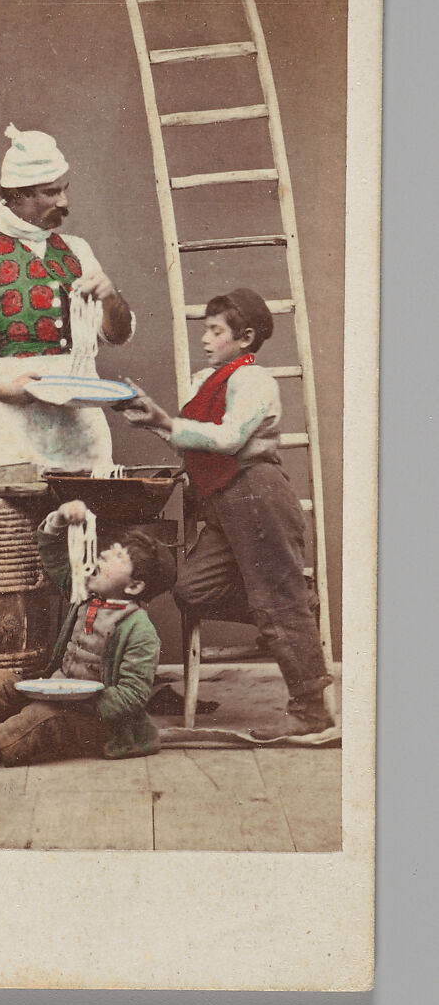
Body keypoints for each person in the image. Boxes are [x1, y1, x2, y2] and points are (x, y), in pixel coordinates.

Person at [121, 287, 334, 737]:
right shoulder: (210, 379)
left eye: (217, 331)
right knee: (193, 590)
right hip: (223, 500)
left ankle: (310, 709)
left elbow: (229, 440)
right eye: (206, 330)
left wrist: (164, 420)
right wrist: (153, 420)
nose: (206, 339)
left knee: (275, 598)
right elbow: (198, 444)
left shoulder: (254, 380)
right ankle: (297, 602)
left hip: (257, 494)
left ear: (246, 338)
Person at [0, 500, 177, 772]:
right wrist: (59, 519)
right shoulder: (84, 595)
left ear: (135, 585)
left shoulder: (139, 629)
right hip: (57, 694)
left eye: (116, 557)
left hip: (97, 721)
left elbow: (132, 697)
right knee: (0, 680)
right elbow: (53, 557)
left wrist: (78, 700)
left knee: (42, 717)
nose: (102, 555)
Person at [0, 124, 135, 471]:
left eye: (65, 189)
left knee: (87, 516)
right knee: (19, 523)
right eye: (51, 192)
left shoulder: (77, 251)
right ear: (17, 195)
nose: (65, 202)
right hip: (16, 424)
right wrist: (8, 393)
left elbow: (117, 335)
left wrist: (111, 299)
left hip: (81, 420)